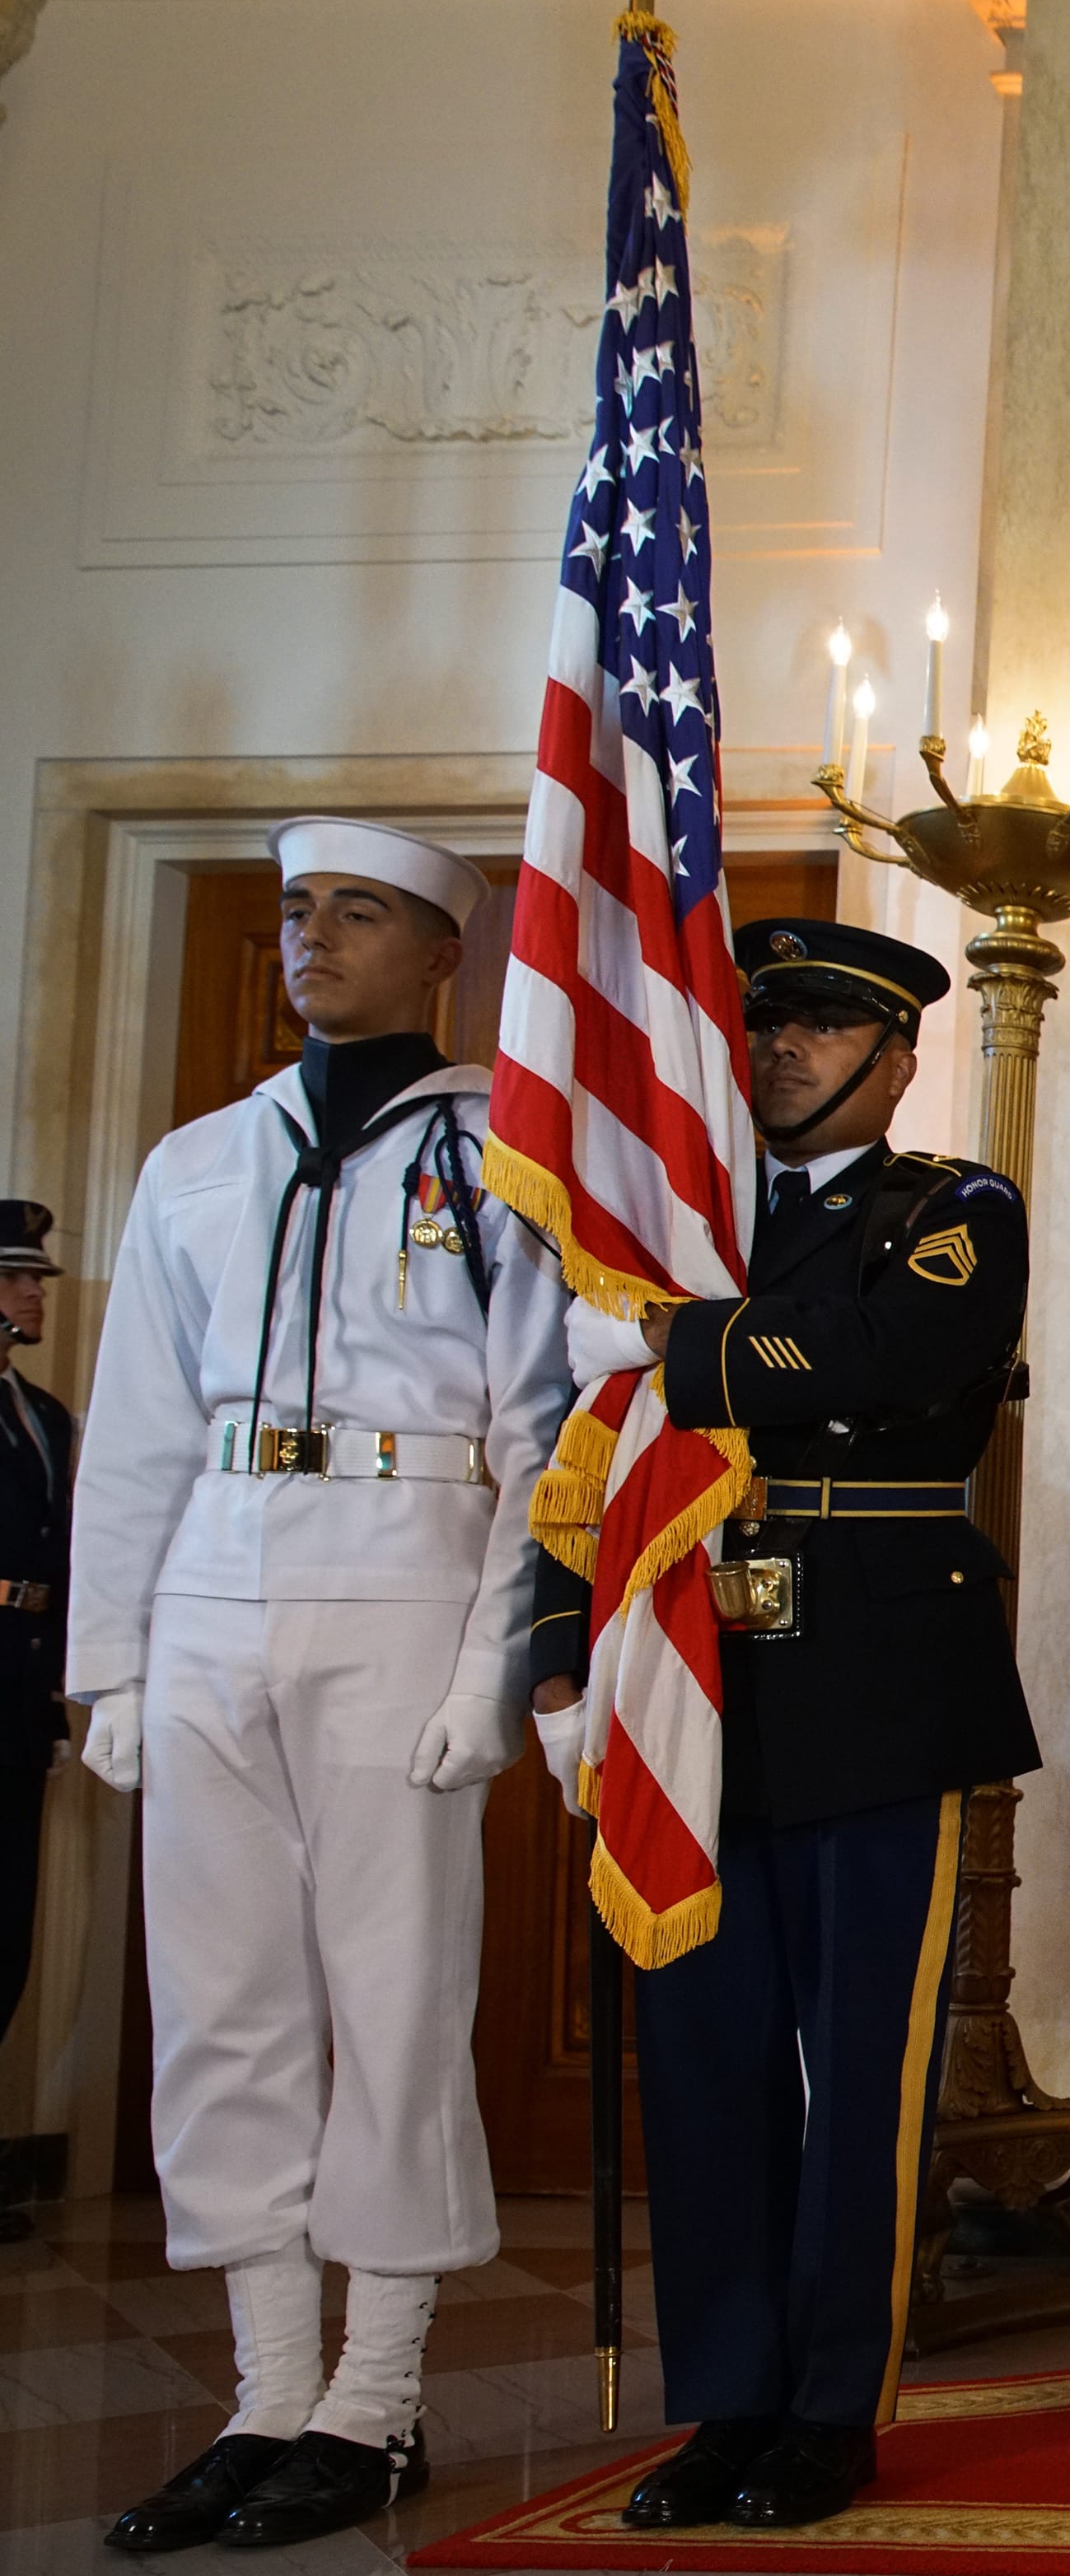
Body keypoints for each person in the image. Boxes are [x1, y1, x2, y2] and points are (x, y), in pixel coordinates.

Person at [67, 819, 568, 2552]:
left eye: (357, 910)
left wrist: (499, 1665)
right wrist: (112, 1655)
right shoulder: (198, 1159)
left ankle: (376, 2395)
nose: (312, 937)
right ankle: (265, 2389)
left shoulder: (508, 1154)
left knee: (395, 1991)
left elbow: (539, 1431)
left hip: (403, 1562)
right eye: (294, 908)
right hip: (216, 1561)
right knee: (223, 2001)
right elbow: (134, 1425)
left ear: (441, 949)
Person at [548, 917, 1044, 2534]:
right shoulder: (683, 1223)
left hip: (880, 1674)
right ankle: (728, 2396)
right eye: (769, 1027)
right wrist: (571, 1653)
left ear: (898, 1060)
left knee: (858, 2066)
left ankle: (835, 2402)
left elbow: (900, 1357)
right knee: (707, 2058)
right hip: (704, 1668)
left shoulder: (955, 1207)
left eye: (828, 1029)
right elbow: (607, 1453)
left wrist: (683, 1346)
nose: (783, 1052)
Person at [0, 1200, 77, 2247]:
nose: (33, 1294)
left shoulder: (47, 1416)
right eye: (19, 1278)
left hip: (18, 1701)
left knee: (6, 1934)